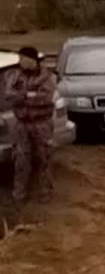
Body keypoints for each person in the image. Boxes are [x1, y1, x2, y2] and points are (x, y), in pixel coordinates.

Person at [7, 46, 58, 202]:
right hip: (22, 123)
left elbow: (46, 98)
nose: (21, 62)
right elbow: (9, 95)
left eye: (23, 58)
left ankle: (45, 193)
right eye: (20, 58)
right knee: (21, 159)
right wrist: (29, 94)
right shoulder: (15, 75)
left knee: (44, 158)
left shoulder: (47, 76)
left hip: (41, 123)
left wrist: (23, 96)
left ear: (32, 60)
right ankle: (19, 194)